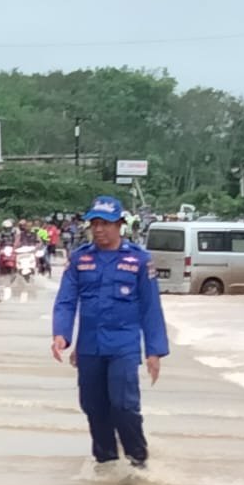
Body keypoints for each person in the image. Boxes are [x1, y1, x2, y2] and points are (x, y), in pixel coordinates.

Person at [52, 196, 169, 469]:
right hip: (89, 347)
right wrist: (61, 335)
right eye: (94, 224)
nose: (99, 229)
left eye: (105, 223)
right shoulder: (80, 259)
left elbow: (151, 309)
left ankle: (138, 460)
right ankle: (105, 463)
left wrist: (154, 352)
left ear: (119, 225)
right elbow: (66, 300)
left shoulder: (139, 260)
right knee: (93, 406)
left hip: (123, 346)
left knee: (123, 405)